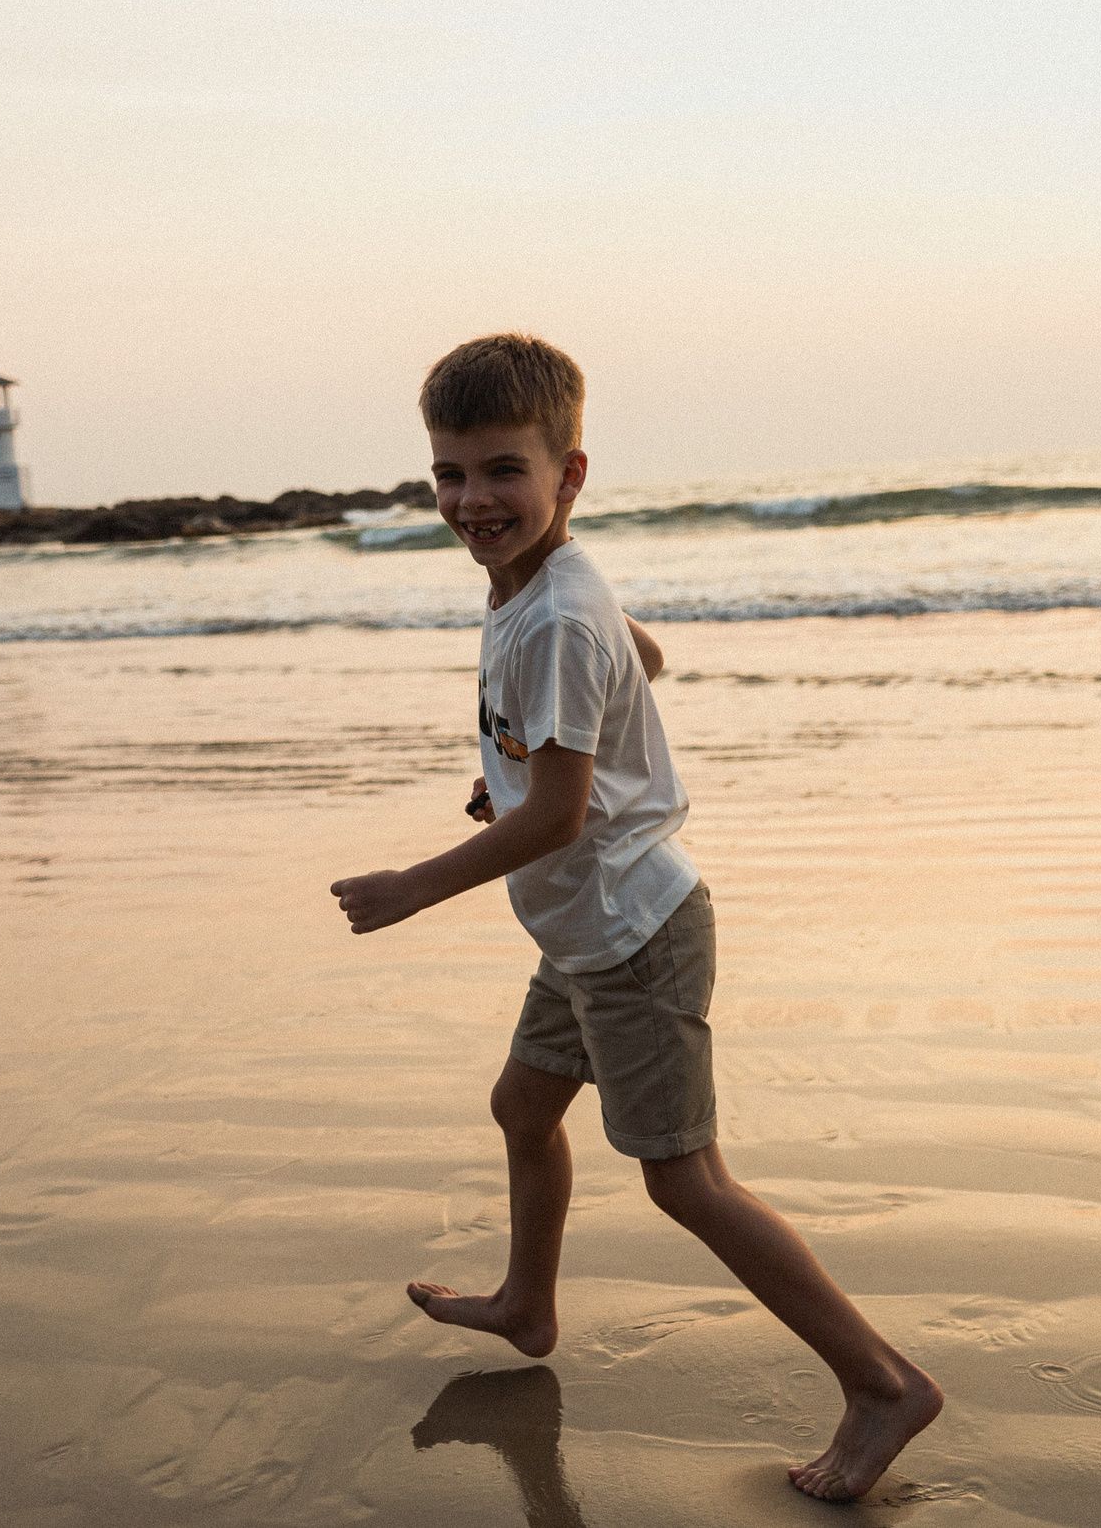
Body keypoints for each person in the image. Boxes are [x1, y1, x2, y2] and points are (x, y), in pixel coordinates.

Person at [329, 334, 941, 1504]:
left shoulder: (553, 615)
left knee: (686, 1182)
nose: (470, 500)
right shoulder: (546, 588)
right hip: (584, 931)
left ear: (570, 474)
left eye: (502, 471)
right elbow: (640, 658)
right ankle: (525, 1303)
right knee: (522, 1107)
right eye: (449, 475)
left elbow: (559, 818)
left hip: (628, 932)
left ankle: (881, 1384)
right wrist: (523, 769)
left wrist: (414, 884)